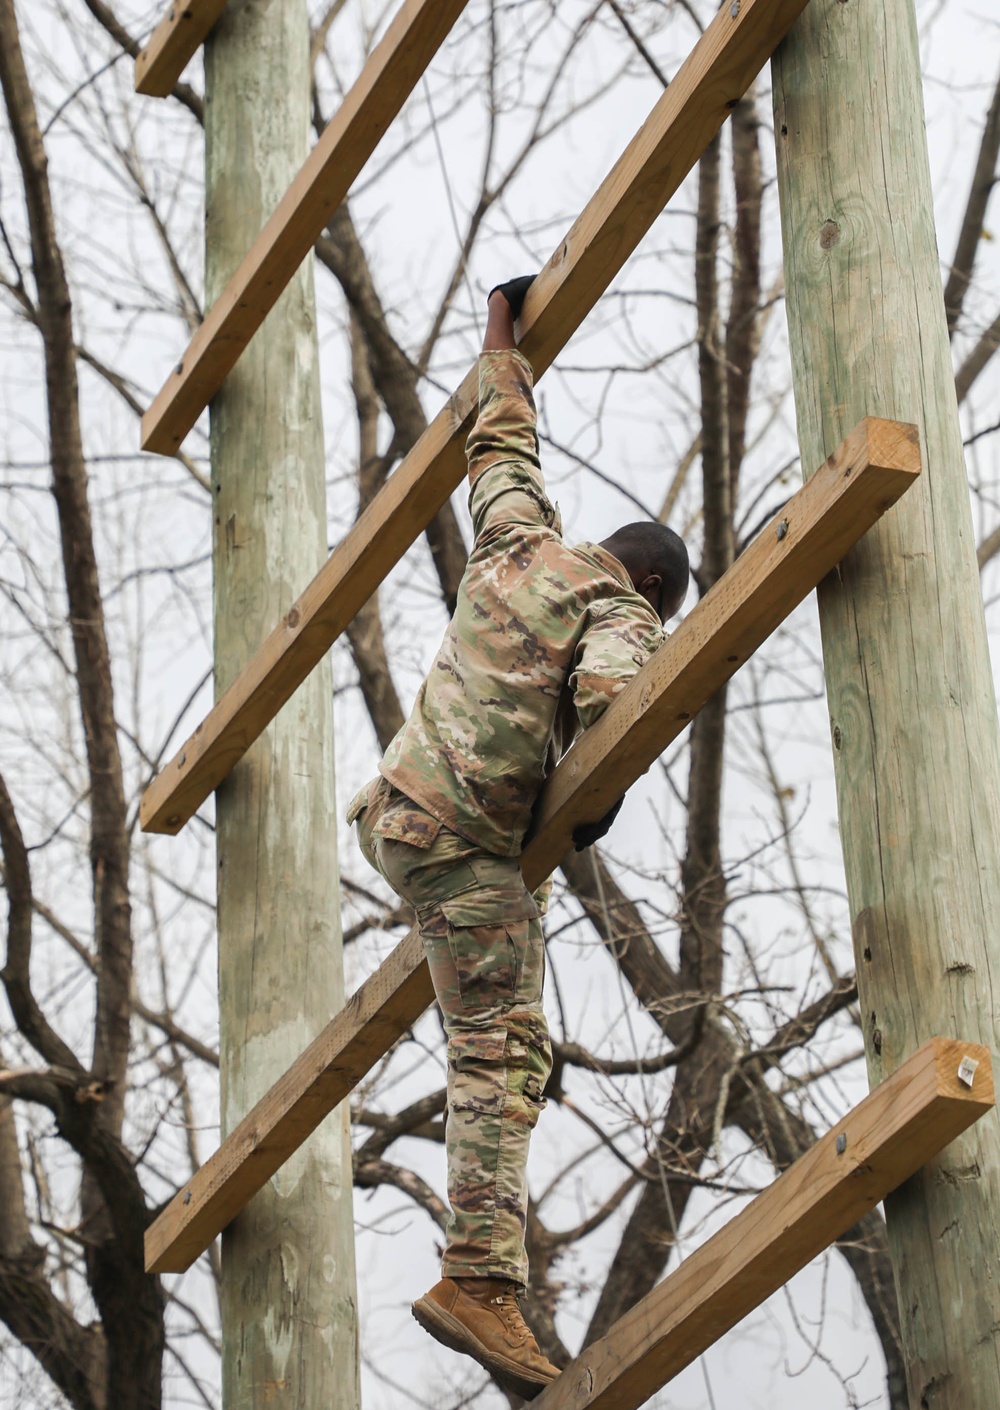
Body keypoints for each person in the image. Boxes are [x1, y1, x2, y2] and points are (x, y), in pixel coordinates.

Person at [348, 275, 689, 1399]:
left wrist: (501, 327)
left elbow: (498, 437)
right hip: (455, 835)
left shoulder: (516, 542)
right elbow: (610, 707)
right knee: (494, 1043)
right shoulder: (621, 603)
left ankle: (494, 1211)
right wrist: (595, 806)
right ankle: (479, 1279)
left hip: (398, 819)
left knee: (517, 1041)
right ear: (652, 585)